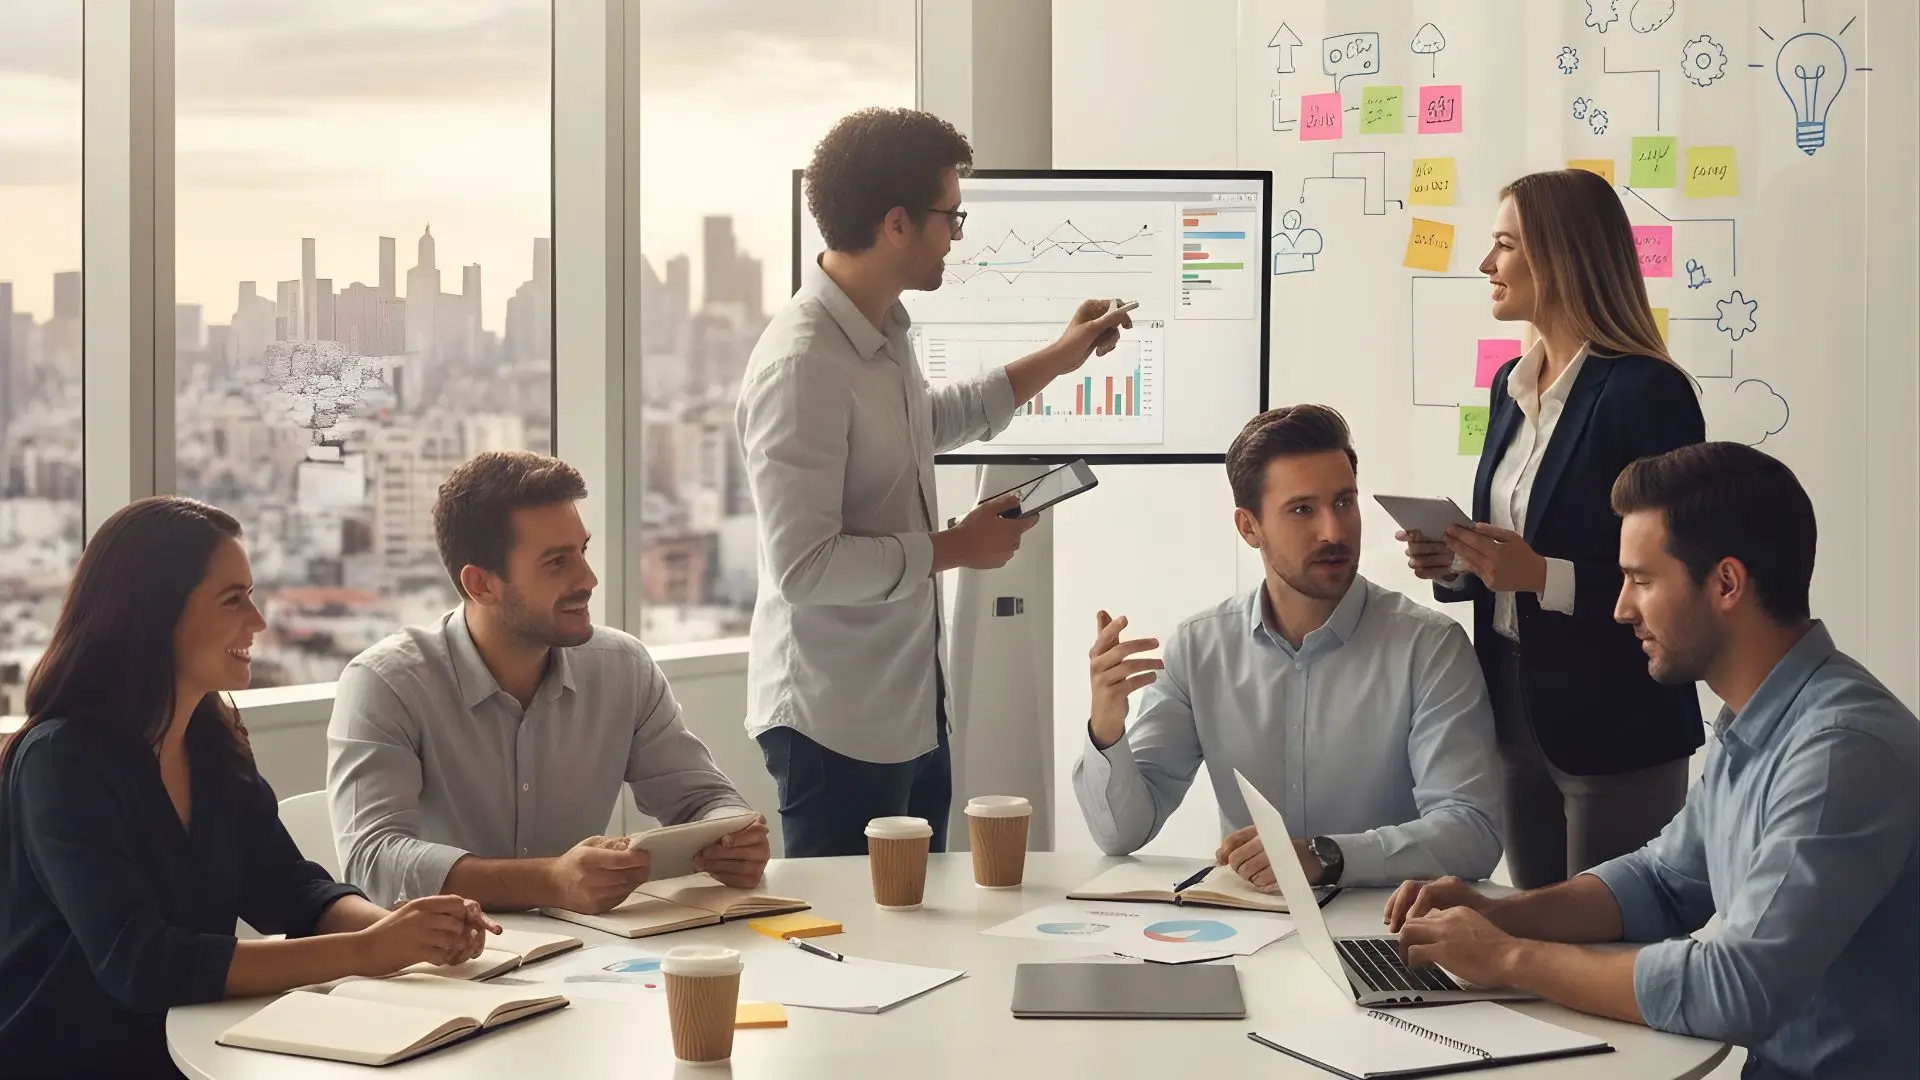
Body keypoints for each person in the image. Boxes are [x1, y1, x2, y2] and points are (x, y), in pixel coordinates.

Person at [1386, 443, 1918, 1080]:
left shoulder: (1840, 749)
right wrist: (1495, 913)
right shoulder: (1759, 717)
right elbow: (1663, 883)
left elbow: (1738, 986)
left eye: (1641, 579)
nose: (1620, 608)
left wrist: (1508, 957)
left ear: (1726, 583)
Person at [736, 107, 1134, 858]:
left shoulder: (882, 330)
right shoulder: (803, 366)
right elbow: (804, 567)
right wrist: (956, 548)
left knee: (917, 931)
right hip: (835, 726)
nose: (957, 235)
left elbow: (933, 421)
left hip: (911, 707)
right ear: (896, 224)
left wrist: (1062, 354)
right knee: (855, 949)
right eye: (951, 217)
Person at [0, 497, 496, 1079]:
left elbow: (290, 889)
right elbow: (140, 964)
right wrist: (371, 952)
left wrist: (402, 928)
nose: (258, 622)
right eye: (234, 600)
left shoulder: (210, 741)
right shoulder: (62, 761)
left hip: (201, 1049)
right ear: (154, 615)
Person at [1400, 168, 1706, 888]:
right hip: (1510, 710)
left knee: (1609, 947)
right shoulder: (1507, 388)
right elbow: (1510, 544)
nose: (1486, 265)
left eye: (1504, 245)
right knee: (1533, 939)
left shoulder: (1648, 393)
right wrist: (1456, 558)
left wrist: (1540, 576)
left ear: (1561, 256)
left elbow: (1679, 574)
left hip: (1618, 719)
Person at [1075, 406, 1502, 889]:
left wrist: (1328, 856)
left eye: (1344, 502)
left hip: (1385, 935)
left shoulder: (1429, 647)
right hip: (1246, 930)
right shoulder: (1199, 649)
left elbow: (1473, 833)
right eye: (1303, 510)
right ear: (1248, 527)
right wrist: (1106, 728)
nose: (1334, 532)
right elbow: (1122, 834)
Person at [328, 452, 769, 912]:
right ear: (481, 585)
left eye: (582, 551)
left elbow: (703, 799)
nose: (589, 579)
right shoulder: (386, 684)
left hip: (592, 956)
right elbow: (372, 862)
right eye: (557, 563)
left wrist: (733, 836)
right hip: (443, 967)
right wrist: (548, 880)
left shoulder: (622, 667)